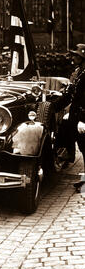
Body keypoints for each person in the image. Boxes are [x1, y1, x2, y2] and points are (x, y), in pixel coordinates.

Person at [53, 44, 85, 191]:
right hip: (76, 115)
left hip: (82, 117)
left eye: (76, 56)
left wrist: (83, 120)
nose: (73, 58)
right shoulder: (79, 73)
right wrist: (52, 106)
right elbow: (69, 96)